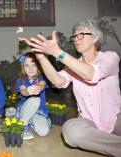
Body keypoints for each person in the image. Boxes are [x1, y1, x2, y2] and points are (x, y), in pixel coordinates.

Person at [19, 19, 121, 156]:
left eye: (81, 35)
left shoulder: (110, 58)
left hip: (115, 118)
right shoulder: (73, 65)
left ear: (95, 37)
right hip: (88, 121)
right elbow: (58, 81)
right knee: (70, 131)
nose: (76, 39)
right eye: (74, 36)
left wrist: (57, 52)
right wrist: (41, 57)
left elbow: (91, 74)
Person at [16, 52, 52, 140]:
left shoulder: (41, 79)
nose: (30, 68)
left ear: (39, 66)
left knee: (43, 131)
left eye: (34, 65)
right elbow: (23, 91)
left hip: (38, 112)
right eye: (27, 65)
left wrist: (39, 88)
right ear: (23, 68)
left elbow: (42, 85)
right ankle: (23, 125)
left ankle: (31, 120)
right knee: (35, 99)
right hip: (25, 110)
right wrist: (28, 91)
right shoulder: (21, 80)